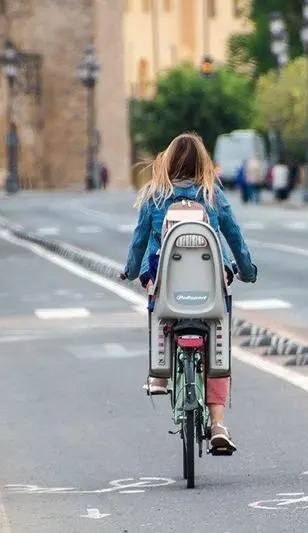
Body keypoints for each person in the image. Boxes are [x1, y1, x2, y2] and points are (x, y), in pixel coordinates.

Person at [120, 132, 258, 453]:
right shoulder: (213, 195)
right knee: (217, 334)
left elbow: (139, 242)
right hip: (210, 283)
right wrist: (247, 271)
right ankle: (219, 424)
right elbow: (235, 237)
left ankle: (159, 373)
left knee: (158, 307)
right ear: (203, 164)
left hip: (167, 283)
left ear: (167, 162)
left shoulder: (155, 196)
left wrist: (130, 270)